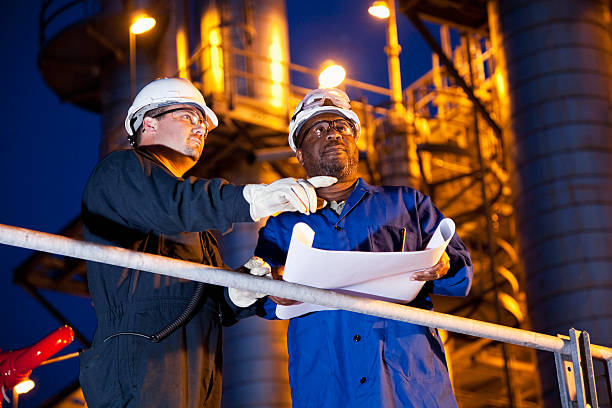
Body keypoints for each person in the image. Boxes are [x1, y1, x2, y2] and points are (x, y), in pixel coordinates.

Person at [79, 78, 335, 408]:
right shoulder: (122, 170)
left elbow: (199, 298)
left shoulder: (191, 223)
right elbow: (176, 205)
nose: (201, 128)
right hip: (139, 357)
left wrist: (238, 292)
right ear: (149, 122)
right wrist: (254, 198)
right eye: (188, 116)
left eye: (204, 123)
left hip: (194, 361)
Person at [251, 88, 473, 407]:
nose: (334, 134)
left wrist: (444, 265)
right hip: (330, 389)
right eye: (320, 129)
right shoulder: (281, 227)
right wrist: (273, 290)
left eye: (342, 127)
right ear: (299, 153)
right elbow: (259, 301)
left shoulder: (407, 204)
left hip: (408, 386)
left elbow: (462, 276)